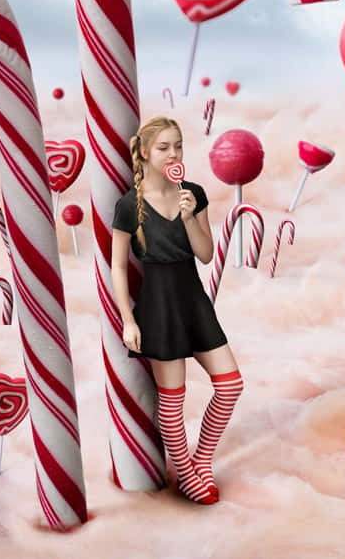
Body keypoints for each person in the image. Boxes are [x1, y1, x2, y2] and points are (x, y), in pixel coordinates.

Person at [110, 116, 243, 504]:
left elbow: (205, 255)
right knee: (173, 397)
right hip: (159, 304)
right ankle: (186, 473)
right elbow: (118, 265)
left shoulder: (194, 194)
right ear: (147, 153)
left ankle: (200, 460)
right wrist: (128, 319)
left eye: (178, 146)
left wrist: (189, 217)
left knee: (230, 384)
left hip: (193, 298)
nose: (173, 153)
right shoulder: (128, 205)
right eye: (165, 147)